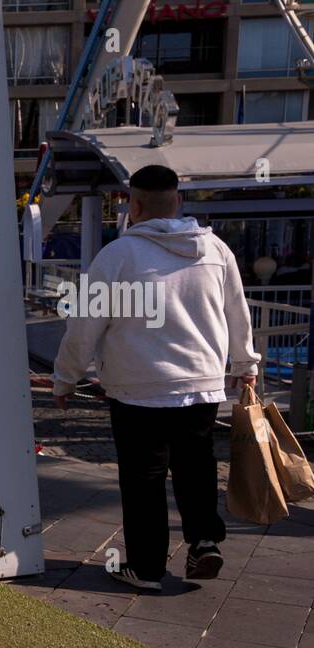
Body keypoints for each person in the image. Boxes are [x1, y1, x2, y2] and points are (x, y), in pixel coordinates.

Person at [52, 164, 261, 591]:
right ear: (179, 201)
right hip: (201, 384)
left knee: (144, 478)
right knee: (197, 468)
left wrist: (66, 378)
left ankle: (146, 569)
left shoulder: (116, 257)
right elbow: (238, 313)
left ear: (135, 204)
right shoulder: (216, 251)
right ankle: (204, 542)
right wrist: (246, 367)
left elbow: (84, 327)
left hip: (137, 388)